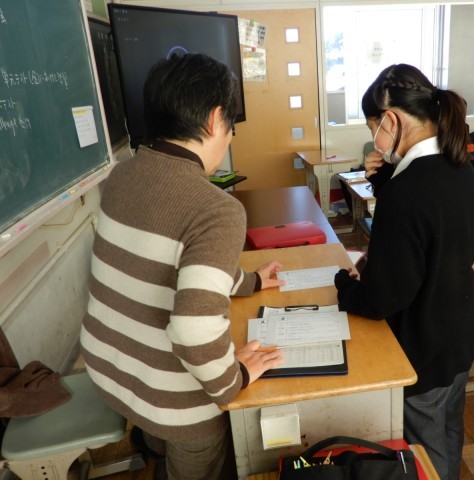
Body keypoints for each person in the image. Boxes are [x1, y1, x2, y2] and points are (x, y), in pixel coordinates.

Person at [80, 53, 285, 480]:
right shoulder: (216, 209)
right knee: (204, 452)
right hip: (173, 398)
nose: (230, 136)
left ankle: (155, 449)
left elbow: (170, 263)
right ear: (214, 120)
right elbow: (193, 331)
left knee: (160, 438)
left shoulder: (120, 177)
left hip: (113, 368)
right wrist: (235, 378)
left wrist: (250, 281)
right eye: (231, 125)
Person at [333, 64, 474, 480]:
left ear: (391, 120)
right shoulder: (458, 165)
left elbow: (384, 298)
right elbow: (428, 231)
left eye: (373, 129)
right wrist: (386, 182)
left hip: (424, 345)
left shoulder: (407, 190)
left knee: (426, 453)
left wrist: (344, 286)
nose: (375, 142)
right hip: (459, 332)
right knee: (450, 431)